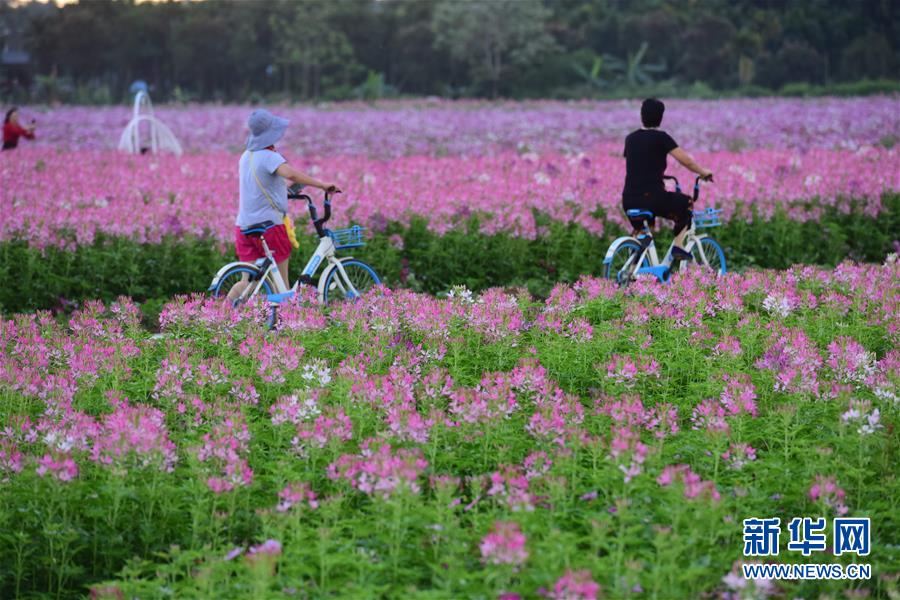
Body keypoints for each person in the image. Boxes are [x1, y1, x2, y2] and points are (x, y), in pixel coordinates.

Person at [230, 109, 340, 302]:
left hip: (244, 227)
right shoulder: (271, 157)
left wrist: (287, 192)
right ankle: (286, 324)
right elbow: (291, 175)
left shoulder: (246, 156)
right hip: (269, 227)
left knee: (248, 281)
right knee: (283, 286)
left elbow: (262, 186)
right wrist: (322, 185)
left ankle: (220, 313)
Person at [622, 98, 713, 260]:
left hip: (628, 199)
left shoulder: (630, 139)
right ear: (661, 117)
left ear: (641, 115)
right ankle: (678, 247)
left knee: (643, 234)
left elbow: (637, 164)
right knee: (687, 204)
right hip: (652, 198)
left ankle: (633, 266)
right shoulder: (661, 138)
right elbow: (687, 161)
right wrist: (703, 172)